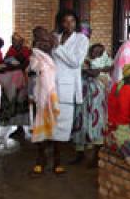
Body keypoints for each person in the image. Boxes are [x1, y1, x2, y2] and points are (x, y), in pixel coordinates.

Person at [52, 10, 89, 172]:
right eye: (65, 21)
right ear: (60, 23)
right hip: (51, 86)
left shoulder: (82, 39)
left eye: (72, 21)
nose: (69, 25)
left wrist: (58, 47)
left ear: (76, 22)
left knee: (62, 126)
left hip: (67, 88)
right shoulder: (56, 37)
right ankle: (52, 155)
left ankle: (57, 161)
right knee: (51, 122)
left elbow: (76, 62)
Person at [71, 43, 113, 166]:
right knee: (80, 122)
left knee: (98, 123)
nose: (96, 53)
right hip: (83, 95)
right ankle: (80, 154)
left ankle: (96, 157)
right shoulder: (84, 60)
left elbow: (101, 70)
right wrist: (99, 69)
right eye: (94, 51)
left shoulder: (104, 60)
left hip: (98, 96)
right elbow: (90, 72)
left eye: (100, 52)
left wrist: (95, 70)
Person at [28, 29, 62, 175]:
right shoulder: (35, 56)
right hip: (41, 97)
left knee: (57, 130)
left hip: (57, 95)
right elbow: (33, 70)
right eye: (39, 40)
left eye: (46, 40)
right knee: (40, 127)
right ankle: (40, 159)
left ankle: (57, 161)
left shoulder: (58, 54)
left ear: (51, 40)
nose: (43, 44)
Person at [0, 33, 31, 128]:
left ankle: (20, 128)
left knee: (20, 103)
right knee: (11, 103)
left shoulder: (26, 50)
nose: (13, 42)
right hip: (10, 81)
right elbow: (5, 61)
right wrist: (5, 65)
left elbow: (24, 65)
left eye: (16, 40)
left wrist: (11, 66)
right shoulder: (11, 49)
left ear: (21, 41)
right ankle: (14, 125)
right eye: (12, 40)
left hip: (21, 80)